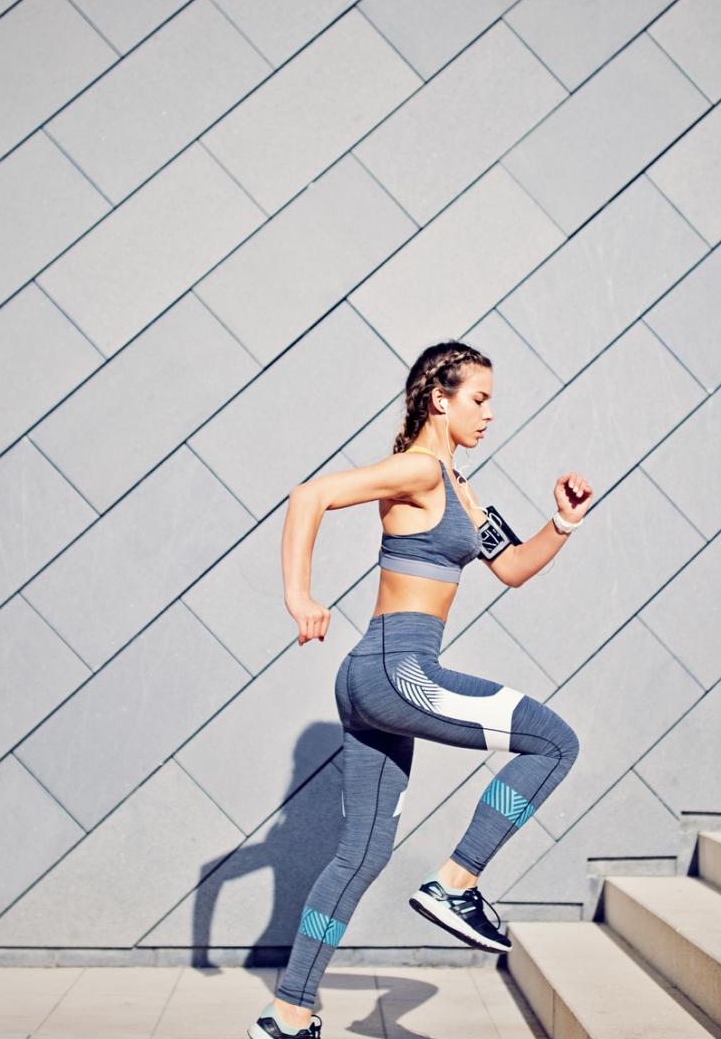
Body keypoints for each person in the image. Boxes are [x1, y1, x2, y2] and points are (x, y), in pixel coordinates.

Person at [248, 341, 594, 1039]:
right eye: (479, 398)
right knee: (554, 742)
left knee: (361, 854)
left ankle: (287, 1014)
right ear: (440, 399)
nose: (490, 413)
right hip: (397, 670)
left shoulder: (461, 487)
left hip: (375, 677)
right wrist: (299, 596)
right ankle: (457, 880)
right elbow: (308, 495)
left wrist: (561, 524)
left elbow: (514, 568)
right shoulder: (418, 469)